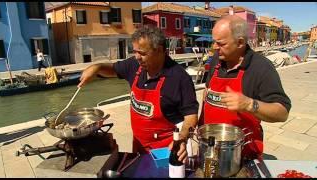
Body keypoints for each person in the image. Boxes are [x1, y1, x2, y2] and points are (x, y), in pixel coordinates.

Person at [78, 25, 199, 163]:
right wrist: (96, 68)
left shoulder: (179, 78)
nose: (137, 57)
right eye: (134, 51)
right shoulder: (134, 66)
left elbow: (191, 116)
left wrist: (182, 138)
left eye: (142, 53)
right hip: (139, 147)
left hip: (167, 152)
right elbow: (112, 69)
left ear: (159, 50)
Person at [199, 15, 291, 160]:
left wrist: (249, 104)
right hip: (208, 150)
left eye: (221, 43)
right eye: (214, 42)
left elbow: (282, 112)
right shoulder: (217, 59)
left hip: (242, 155)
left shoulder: (261, 68)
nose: (214, 47)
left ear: (240, 42)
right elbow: (207, 92)